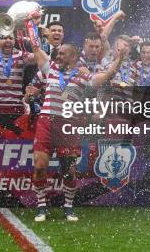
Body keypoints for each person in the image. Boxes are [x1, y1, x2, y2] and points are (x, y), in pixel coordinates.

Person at [31, 39, 120, 222]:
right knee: (40, 166)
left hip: (69, 124)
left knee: (68, 170)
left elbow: (108, 74)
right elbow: (36, 48)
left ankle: (68, 207)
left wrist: (121, 57)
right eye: (58, 53)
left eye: (62, 53)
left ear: (73, 57)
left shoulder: (84, 77)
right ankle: (41, 206)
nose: (58, 56)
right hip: (47, 121)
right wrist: (29, 23)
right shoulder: (51, 69)